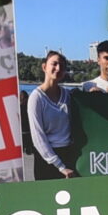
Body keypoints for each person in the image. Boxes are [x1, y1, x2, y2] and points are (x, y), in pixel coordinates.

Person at [27, 49, 77, 179]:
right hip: (47, 161)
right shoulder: (36, 98)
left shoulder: (68, 95)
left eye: (62, 66)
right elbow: (38, 137)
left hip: (68, 155)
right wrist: (60, 166)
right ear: (44, 67)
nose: (58, 68)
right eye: (54, 64)